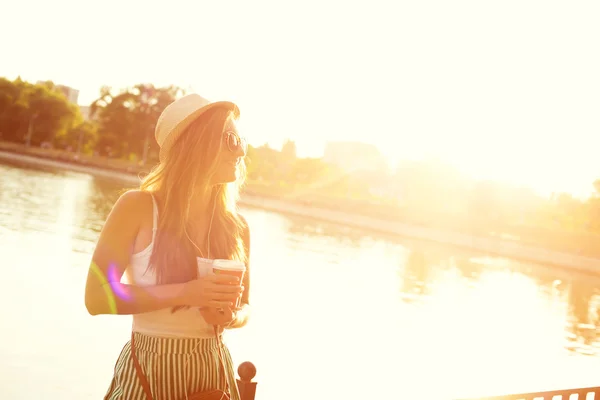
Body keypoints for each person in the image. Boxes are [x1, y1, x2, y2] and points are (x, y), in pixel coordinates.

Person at [84, 93, 251, 400]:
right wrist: (188, 292)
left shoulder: (237, 226)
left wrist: (229, 317)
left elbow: (245, 309)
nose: (240, 151)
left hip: (212, 375)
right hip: (149, 369)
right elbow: (97, 296)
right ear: (196, 145)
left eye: (241, 140)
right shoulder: (137, 207)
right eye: (230, 139)